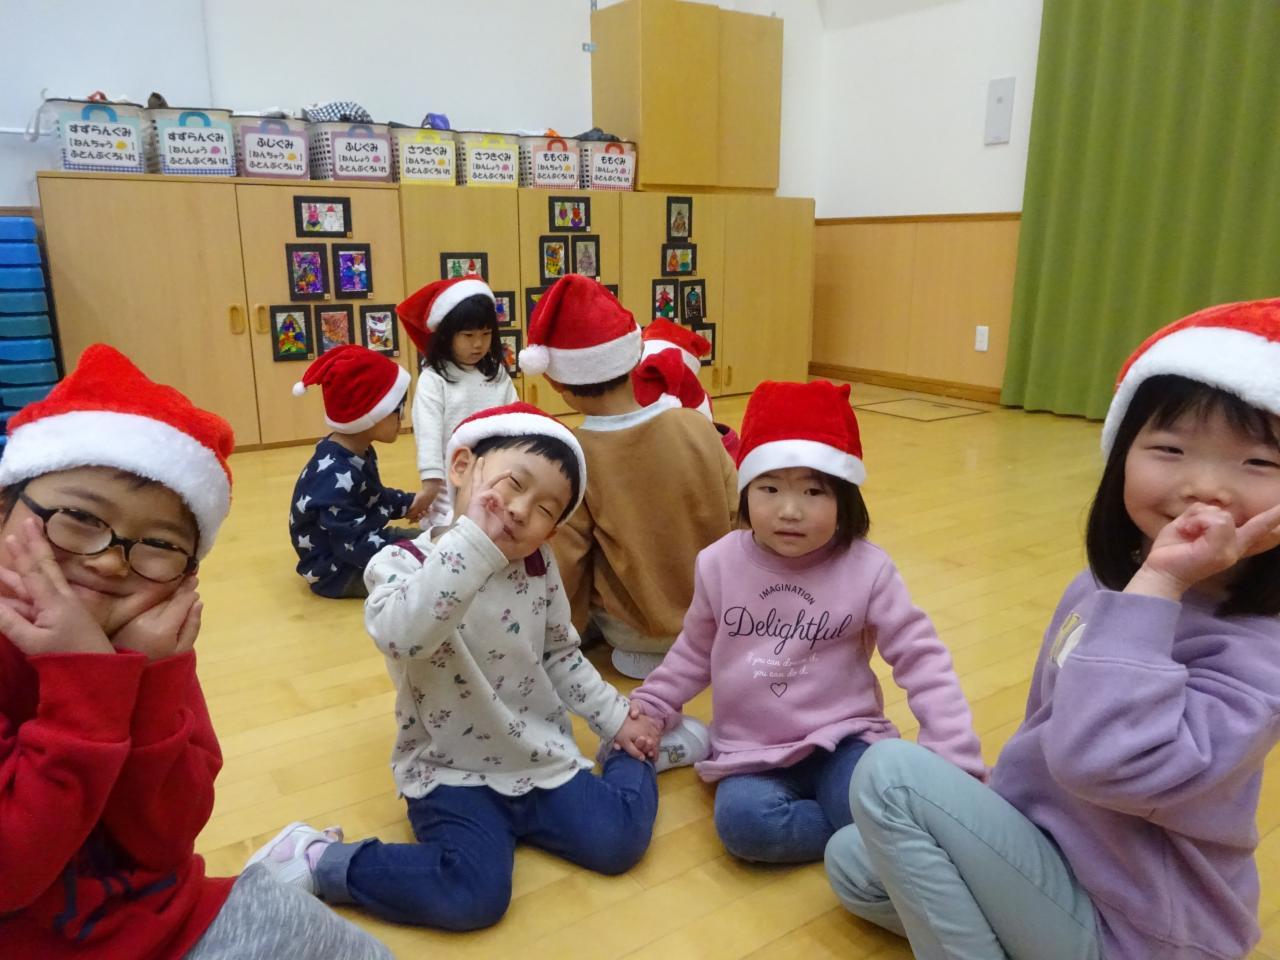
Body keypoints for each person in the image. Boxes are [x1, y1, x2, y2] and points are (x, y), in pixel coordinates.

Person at [825, 298, 1280, 960]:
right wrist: (996, 806)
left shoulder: (1259, 650)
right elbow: (1046, 726)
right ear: (1121, 457)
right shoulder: (1102, 582)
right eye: (1171, 449)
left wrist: (1160, 585)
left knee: (890, 777)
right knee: (853, 859)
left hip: (1139, 924)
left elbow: (1104, 764)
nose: (1206, 487)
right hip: (1057, 855)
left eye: (1259, 463)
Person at [0, 343, 390, 959]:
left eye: (158, 544)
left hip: (168, 919)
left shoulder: (150, 645)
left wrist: (151, 680)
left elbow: (165, 840)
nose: (110, 561)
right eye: (79, 517)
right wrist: (85, 683)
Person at [248, 403, 702, 931]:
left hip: (538, 757)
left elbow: (560, 654)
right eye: (514, 483)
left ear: (551, 532)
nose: (520, 510)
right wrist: (471, 544)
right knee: (473, 896)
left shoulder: (538, 567)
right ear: (462, 466)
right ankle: (318, 860)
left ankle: (635, 752)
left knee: (618, 842)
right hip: (449, 772)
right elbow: (402, 636)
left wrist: (618, 719)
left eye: (546, 509)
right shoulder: (401, 562)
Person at [629, 379, 983, 864]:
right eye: (770, 488)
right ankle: (876, 837)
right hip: (751, 750)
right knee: (744, 827)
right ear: (745, 491)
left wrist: (953, 757)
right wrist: (651, 707)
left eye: (814, 491)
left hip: (844, 739)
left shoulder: (867, 569)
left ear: (845, 499)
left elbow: (922, 662)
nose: (790, 510)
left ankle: (875, 830)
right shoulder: (718, 563)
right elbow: (693, 652)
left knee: (865, 799)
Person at [519, 275, 738, 679]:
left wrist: (556, 636)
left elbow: (568, 562)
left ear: (555, 380)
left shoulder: (576, 453)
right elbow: (737, 515)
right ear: (636, 355)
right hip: (716, 623)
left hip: (635, 639)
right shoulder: (696, 425)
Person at [289, 345, 428, 598]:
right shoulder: (334, 474)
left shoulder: (358, 451)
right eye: (397, 409)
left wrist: (409, 503)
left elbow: (373, 496)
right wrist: (407, 551)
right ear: (370, 412)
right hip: (339, 571)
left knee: (432, 543)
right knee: (428, 575)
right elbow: (353, 546)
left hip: (363, 541)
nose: (403, 418)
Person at [398, 277, 517, 530]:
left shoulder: (497, 375)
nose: (478, 344)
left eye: (486, 334)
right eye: (468, 335)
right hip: (450, 485)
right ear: (446, 335)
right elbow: (429, 436)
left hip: (496, 475)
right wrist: (430, 485)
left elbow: (516, 420)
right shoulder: (434, 379)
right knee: (452, 531)